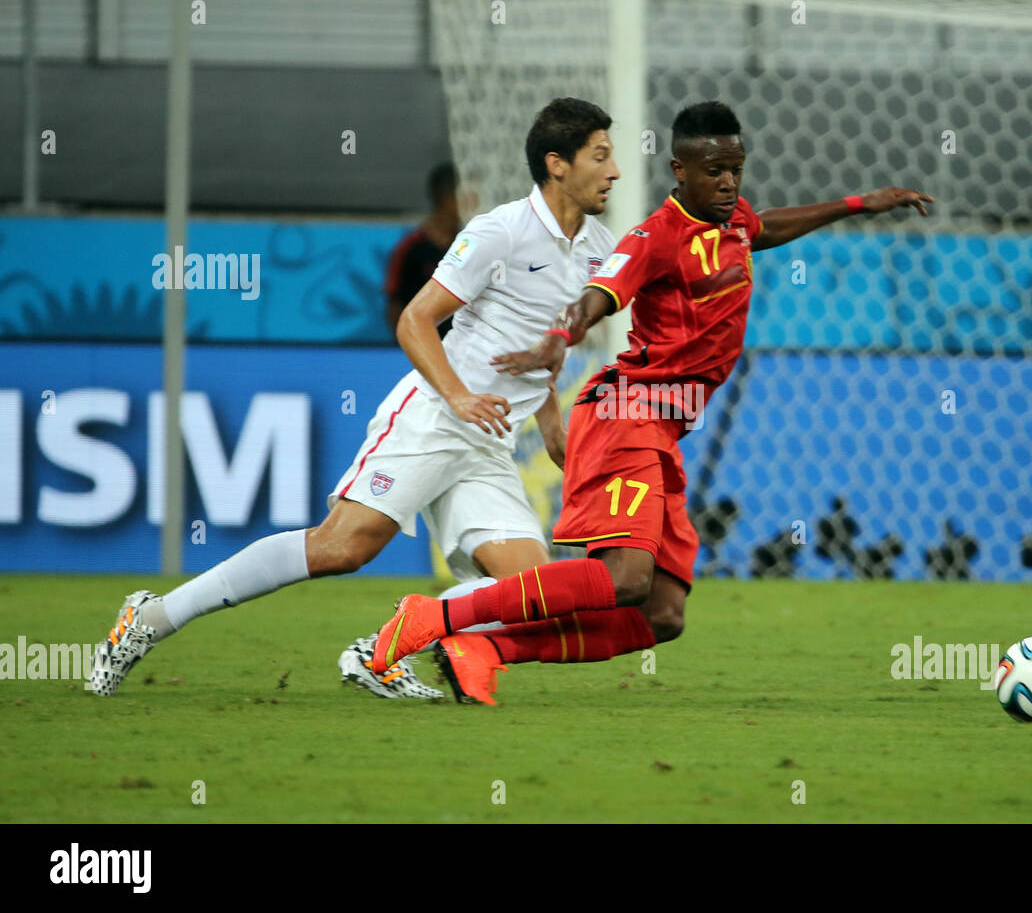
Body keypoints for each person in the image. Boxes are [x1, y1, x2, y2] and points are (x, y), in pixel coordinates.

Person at [368, 100, 932, 705]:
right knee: (623, 578)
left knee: (661, 613)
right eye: (713, 170)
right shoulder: (652, 238)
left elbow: (765, 226)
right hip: (625, 414)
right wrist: (561, 338)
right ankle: (435, 616)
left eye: (735, 168)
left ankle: (485, 647)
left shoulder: (733, 221)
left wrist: (855, 206)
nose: (727, 181)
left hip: (663, 429)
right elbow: (597, 296)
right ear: (678, 170)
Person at [89, 98, 622, 700]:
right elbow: (416, 321)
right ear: (557, 164)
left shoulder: (600, 249)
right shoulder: (500, 231)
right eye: (600, 156)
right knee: (342, 547)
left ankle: (381, 651)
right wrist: (460, 397)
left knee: (534, 591)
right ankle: (152, 618)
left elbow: (533, 343)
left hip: (492, 440)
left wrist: (550, 425)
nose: (615, 171)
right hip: (435, 417)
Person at [384, 162, 466, 339]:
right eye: (466, 197)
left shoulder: (468, 245)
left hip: (461, 349)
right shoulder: (410, 248)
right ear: (448, 199)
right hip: (425, 347)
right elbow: (394, 303)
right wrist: (411, 344)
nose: (471, 202)